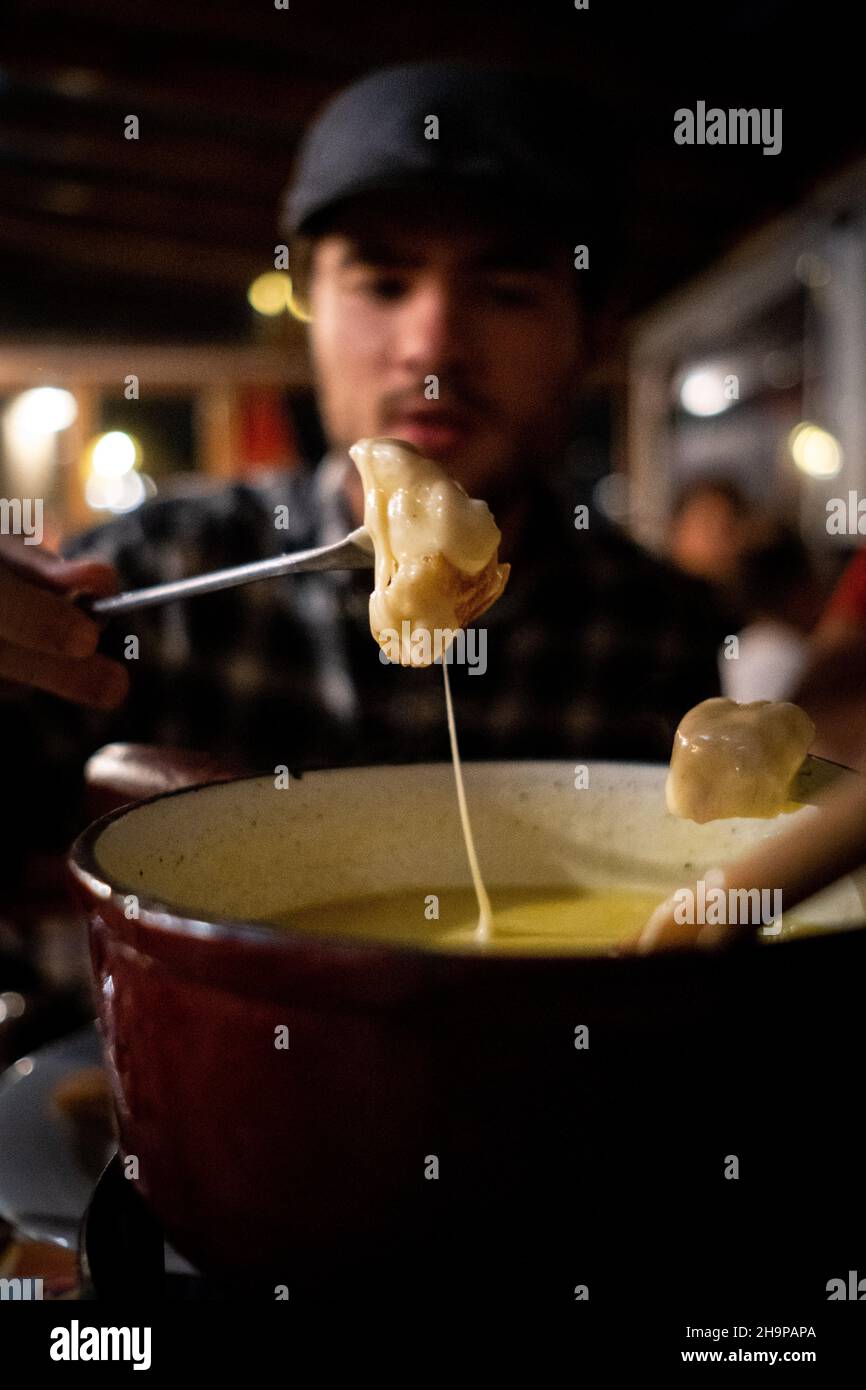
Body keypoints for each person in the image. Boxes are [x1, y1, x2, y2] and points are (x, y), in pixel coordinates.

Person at [0, 64, 726, 875]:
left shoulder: (658, 634)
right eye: (382, 283)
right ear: (309, 312)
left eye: (507, 289)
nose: (431, 345)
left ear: (594, 334)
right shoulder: (151, 583)